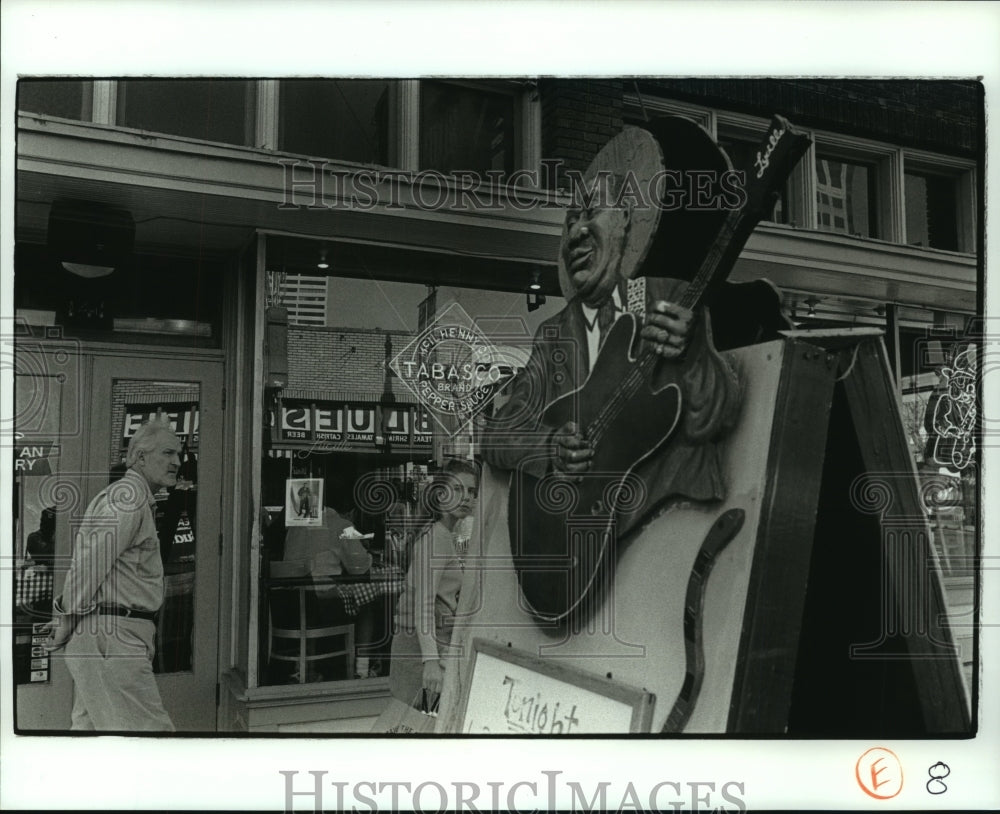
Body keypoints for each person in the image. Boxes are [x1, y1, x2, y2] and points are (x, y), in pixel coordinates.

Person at [481, 174, 743, 530]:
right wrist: (550, 447)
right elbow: (497, 433)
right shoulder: (553, 334)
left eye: (591, 213)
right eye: (570, 222)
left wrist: (692, 355)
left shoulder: (668, 299)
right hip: (584, 537)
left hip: (672, 523)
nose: (575, 233)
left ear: (626, 220)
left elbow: (715, 417)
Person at [41, 419, 180, 731]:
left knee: (91, 746)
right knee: (151, 743)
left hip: (107, 639)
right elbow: (88, 566)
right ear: (139, 457)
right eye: (168, 452)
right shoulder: (127, 500)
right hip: (113, 641)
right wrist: (64, 620)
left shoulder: (135, 499)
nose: (177, 461)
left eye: (179, 454)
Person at [388, 458, 479, 709]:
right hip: (421, 647)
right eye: (458, 489)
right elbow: (423, 603)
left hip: (427, 641)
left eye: (472, 491)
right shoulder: (437, 537)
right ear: (440, 495)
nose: (466, 498)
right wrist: (430, 660)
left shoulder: (441, 533)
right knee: (419, 725)